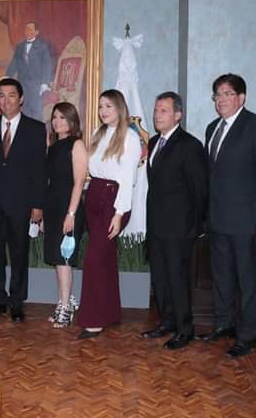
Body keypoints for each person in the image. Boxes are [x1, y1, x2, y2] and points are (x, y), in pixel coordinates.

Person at [198, 73, 256, 358]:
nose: (221, 100)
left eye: (227, 94)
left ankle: (247, 336)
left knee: (247, 281)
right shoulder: (212, 128)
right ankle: (224, 324)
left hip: (246, 221)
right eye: (217, 95)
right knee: (221, 278)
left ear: (241, 98)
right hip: (217, 219)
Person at [0, 78, 47, 322]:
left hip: (21, 204)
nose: (6, 100)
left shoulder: (35, 129)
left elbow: (39, 170)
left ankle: (16, 302)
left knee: (19, 254)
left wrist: (38, 204)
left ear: (21, 99)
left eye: (11, 95)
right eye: (1, 96)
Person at [141, 92, 208, 350]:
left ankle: (184, 330)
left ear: (178, 115)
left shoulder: (190, 145)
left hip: (179, 228)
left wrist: (197, 225)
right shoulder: (154, 142)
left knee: (177, 279)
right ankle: (167, 322)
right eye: (156, 110)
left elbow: (199, 189)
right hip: (156, 225)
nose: (157, 115)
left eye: (164, 111)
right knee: (160, 278)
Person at [77, 89, 141, 339]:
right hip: (94, 195)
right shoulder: (98, 133)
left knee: (93, 259)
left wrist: (118, 213)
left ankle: (93, 319)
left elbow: (127, 179)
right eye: (101, 106)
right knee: (105, 258)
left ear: (120, 108)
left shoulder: (130, 138)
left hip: (114, 201)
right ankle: (111, 312)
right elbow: (91, 169)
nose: (103, 111)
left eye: (109, 106)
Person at [43, 102, 87, 328]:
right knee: (57, 259)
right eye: (55, 117)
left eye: (62, 117)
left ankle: (65, 308)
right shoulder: (52, 146)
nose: (57, 121)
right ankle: (65, 300)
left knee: (64, 258)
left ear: (72, 120)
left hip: (69, 208)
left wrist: (71, 213)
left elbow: (79, 183)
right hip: (52, 208)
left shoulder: (76, 144)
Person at [6, 22, 54, 121]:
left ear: (36, 32)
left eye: (30, 29)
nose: (28, 31)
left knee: (36, 109)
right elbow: (14, 63)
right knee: (24, 108)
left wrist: (44, 83)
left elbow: (47, 64)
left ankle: (37, 129)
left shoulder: (42, 46)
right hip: (22, 82)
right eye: (26, 29)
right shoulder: (20, 46)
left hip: (36, 83)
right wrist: (7, 76)